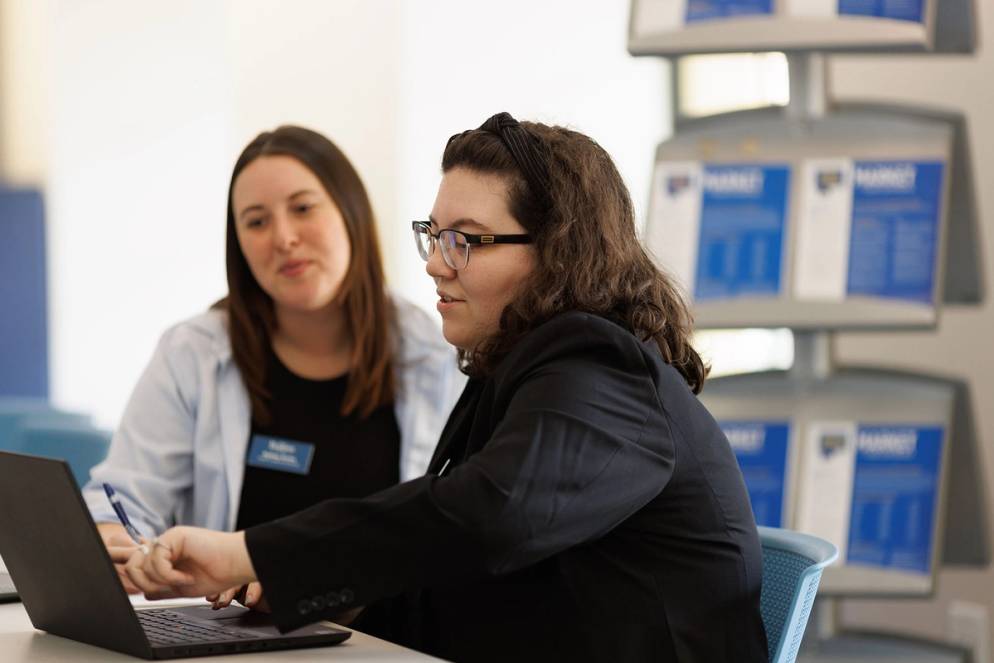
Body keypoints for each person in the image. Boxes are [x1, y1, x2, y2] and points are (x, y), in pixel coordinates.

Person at [125, 113, 768, 662]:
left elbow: (492, 516)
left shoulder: (600, 368)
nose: (434, 262)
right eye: (434, 236)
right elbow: (456, 558)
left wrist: (256, 554)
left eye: (464, 240)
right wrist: (306, 585)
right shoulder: (521, 366)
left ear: (558, 252)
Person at [84, 125, 463, 598]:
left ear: (351, 213)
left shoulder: (438, 354)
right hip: (227, 636)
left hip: (380, 638)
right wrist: (130, 550)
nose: (283, 237)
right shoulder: (193, 354)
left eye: (303, 209)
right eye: (256, 221)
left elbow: (451, 537)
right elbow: (118, 505)